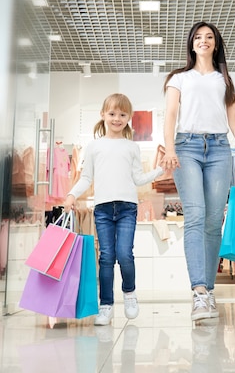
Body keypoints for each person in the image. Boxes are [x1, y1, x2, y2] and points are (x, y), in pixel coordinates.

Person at [160, 21, 235, 321]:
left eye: (209, 37)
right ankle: (199, 293)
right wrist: (169, 148)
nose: (203, 41)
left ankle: (208, 290)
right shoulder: (179, 78)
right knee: (194, 216)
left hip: (220, 150)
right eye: (198, 37)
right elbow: (170, 115)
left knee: (212, 221)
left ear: (216, 44)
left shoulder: (225, 81)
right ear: (191, 44)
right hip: (186, 148)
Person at [64, 93, 164, 326]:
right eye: (112, 114)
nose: (117, 118)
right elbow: (86, 177)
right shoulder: (93, 147)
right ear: (103, 115)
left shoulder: (132, 147)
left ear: (129, 117)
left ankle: (129, 294)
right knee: (107, 257)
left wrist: (159, 170)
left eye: (122, 114)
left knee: (125, 253)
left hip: (128, 208)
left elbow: (139, 179)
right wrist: (71, 194)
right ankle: (106, 306)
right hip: (102, 209)